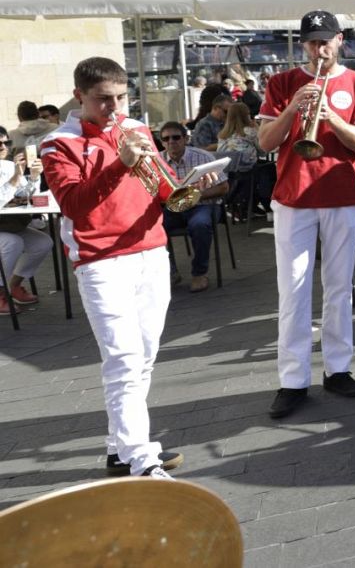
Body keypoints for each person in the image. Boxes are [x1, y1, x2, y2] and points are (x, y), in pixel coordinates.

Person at [40, 57, 194, 479]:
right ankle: (142, 459)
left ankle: (120, 447)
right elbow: (73, 204)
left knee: (143, 356)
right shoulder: (58, 143)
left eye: (121, 97)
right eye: (103, 100)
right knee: (123, 359)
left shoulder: (136, 128)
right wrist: (120, 163)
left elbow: (162, 188)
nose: (114, 107)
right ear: (80, 96)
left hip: (150, 250)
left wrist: (186, 184)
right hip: (101, 261)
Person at [257, 10, 355, 420]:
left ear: (339, 40)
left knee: (339, 286)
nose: (318, 49)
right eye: (310, 41)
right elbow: (266, 141)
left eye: (325, 40)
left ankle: (338, 369)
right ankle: (292, 380)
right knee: (292, 290)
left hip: (342, 194)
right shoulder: (282, 82)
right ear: (302, 43)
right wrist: (292, 108)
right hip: (292, 197)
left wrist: (331, 117)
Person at [158, 121, 230, 292]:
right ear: (161, 142)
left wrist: (192, 196)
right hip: (171, 208)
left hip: (203, 205)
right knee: (152, 227)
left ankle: (199, 273)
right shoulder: (157, 160)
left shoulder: (202, 157)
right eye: (165, 139)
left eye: (176, 137)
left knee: (200, 225)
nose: (171, 142)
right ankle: (170, 271)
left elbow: (224, 187)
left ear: (185, 139)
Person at [0, 133, 45, 314]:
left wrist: (34, 176)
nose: (3, 147)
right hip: (5, 228)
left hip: (8, 224)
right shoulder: (13, 169)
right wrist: (16, 177)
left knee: (43, 243)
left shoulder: (11, 165)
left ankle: (14, 285)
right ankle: (0, 292)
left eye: (6, 143)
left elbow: (26, 196)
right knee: (13, 243)